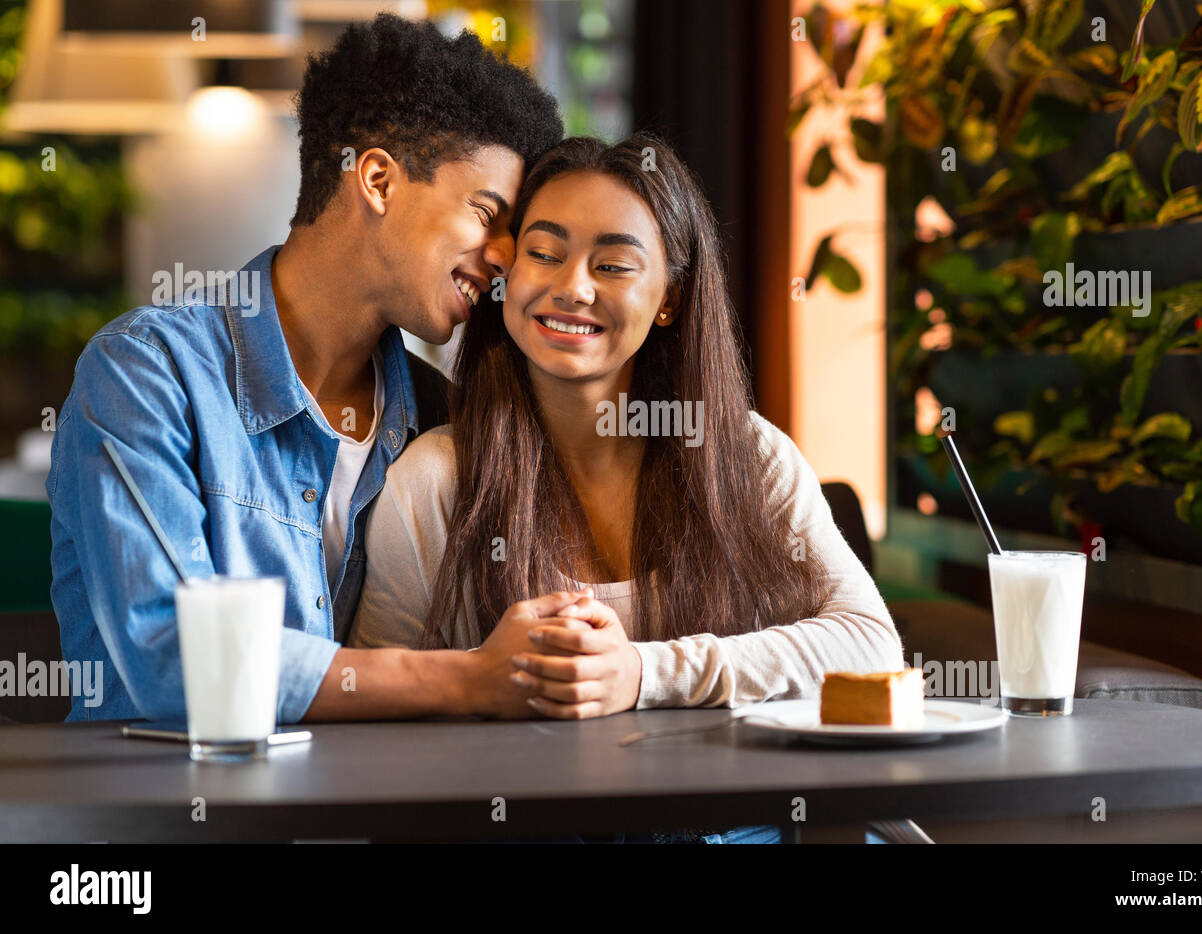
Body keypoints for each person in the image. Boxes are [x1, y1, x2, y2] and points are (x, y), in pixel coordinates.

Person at [349, 133, 908, 841]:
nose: (571, 286)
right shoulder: (435, 481)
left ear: (669, 297)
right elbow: (374, 725)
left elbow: (868, 645)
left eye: (612, 264)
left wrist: (643, 674)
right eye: (544, 253)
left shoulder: (746, 455)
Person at [47, 14, 564, 724]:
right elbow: (172, 658)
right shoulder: (146, 374)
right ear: (377, 179)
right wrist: (469, 679)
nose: (504, 255)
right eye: (485, 213)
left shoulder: (438, 416)